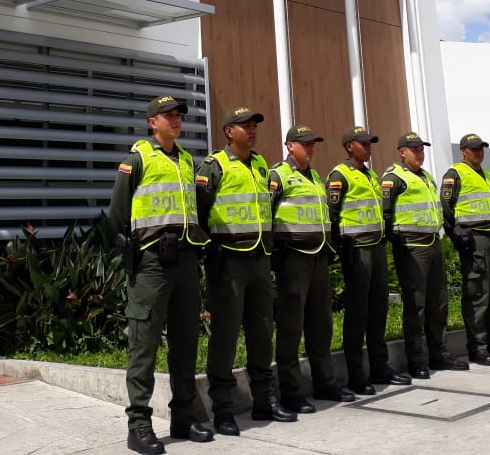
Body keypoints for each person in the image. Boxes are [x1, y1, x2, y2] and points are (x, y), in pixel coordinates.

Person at [108, 96, 213, 455]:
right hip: (151, 262)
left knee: (185, 342)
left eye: (179, 115)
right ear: (152, 122)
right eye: (168, 115)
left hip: (185, 260)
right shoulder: (137, 160)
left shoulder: (186, 160)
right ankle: (138, 426)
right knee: (144, 344)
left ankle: (183, 416)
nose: (176, 120)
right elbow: (117, 216)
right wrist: (133, 254)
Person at [196, 107, 296, 437]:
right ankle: (223, 409)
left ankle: (264, 400)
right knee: (225, 337)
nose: (252, 130)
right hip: (228, 262)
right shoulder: (214, 166)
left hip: (259, 259)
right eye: (245, 126)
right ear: (228, 132)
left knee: (261, 333)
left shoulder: (260, 164)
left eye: (254, 125)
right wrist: (209, 252)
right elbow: (199, 211)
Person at [270, 124, 356, 413]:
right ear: (289, 146)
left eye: (313, 143)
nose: (311, 147)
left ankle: (325, 382)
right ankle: (291, 391)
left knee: (321, 325)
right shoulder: (278, 175)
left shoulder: (316, 177)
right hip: (293, 258)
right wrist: (276, 256)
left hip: (318, 257)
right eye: (305, 143)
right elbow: (265, 215)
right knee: (291, 327)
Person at [327, 126, 412, 395]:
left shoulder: (371, 175)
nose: (369, 146)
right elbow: (331, 213)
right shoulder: (340, 175)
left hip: (375, 248)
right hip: (356, 251)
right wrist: (338, 245)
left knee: (378, 311)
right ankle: (356, 374)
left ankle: (380, 368)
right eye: (363, 143)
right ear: (349, 146)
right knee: (357, 314)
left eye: (370, 142)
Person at [381, 132, 470, 379]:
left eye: (421, 149)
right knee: (416, 306)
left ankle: (438, 355)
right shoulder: (393, 178)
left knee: (438, 303)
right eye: (415, 149)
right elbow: (385, 214)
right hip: (411, 248)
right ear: (402, 152)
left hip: (432, 243)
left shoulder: (426, 176)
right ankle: (417, 360)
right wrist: (396, 240)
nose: (420, 153)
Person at [440, 134, 490, 366]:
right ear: (463, 151)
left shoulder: (488, 176)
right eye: (474, 149)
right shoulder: (455, 173)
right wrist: (455, 235)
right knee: (478, 295)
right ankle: (478, 348)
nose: (479, 152)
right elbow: (446, 208)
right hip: (475, 239)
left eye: (481, 149)